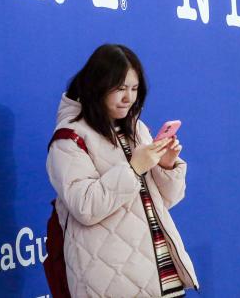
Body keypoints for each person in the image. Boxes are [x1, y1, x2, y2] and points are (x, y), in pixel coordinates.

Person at [47, 44, 199, 297]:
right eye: (119, 89)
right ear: (97, 86)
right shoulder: (69, 138)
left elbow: (166, 202)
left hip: (161, 276)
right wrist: (133, 168)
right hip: (111, 282)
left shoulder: (136, 128)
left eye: (134, 88)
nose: (128, 98)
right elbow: (85, 207)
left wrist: (166, 165)